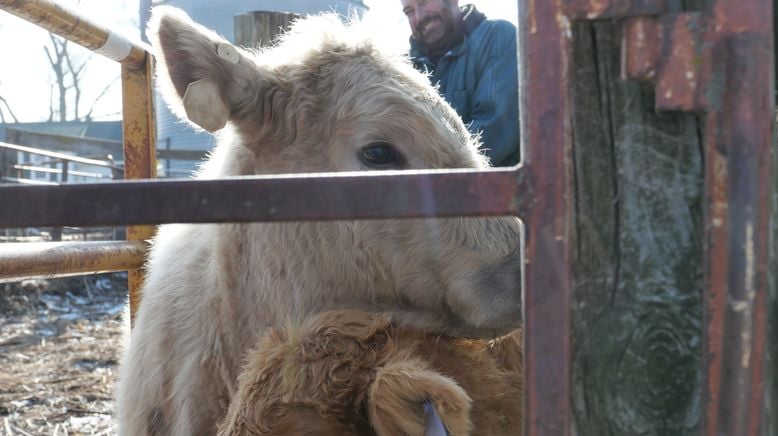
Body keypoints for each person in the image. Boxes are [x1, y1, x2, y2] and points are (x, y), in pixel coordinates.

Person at [400, 0, 520, 167]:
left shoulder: (497, 38)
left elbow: (494, 133)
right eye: (409, 11)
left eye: (424, 2)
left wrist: (424, 171)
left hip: (494, 188)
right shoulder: (405, 66)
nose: (419, 17)